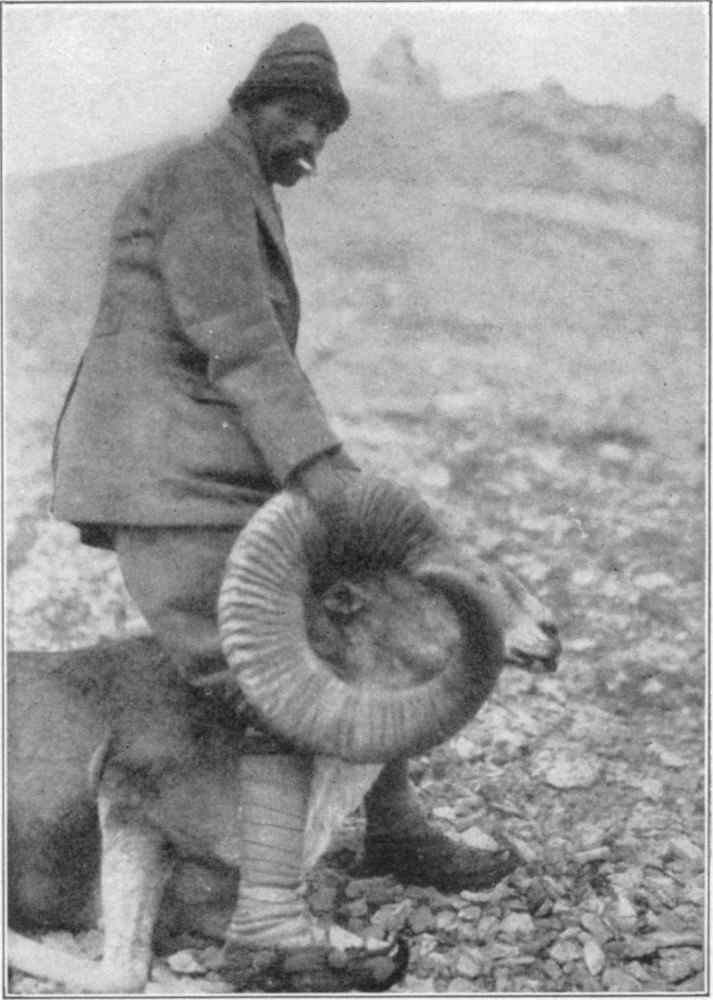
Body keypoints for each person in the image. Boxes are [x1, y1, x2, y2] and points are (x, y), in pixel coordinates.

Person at [52, 23, 515, 957]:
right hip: (165, 476)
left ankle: (394, 831)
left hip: (201, 464)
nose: (309, 141)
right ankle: (266, 920)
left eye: (323, 126)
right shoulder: (204, 180)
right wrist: (320, 470)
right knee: (257, 679)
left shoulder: (237, 185)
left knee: (345, 629)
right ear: (251, 106)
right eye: (296, 115)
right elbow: (240, 340)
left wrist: (314, 474)